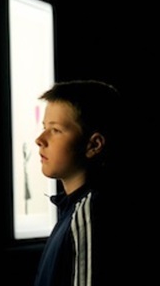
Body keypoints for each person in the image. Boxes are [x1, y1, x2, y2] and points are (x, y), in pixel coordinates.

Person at [33, 80, 123, 286]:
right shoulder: (72, 209)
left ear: (94, 145)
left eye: (55, 130)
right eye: (44, 127)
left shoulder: (88, 213)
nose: (40, 139)